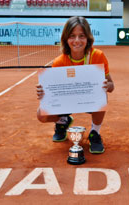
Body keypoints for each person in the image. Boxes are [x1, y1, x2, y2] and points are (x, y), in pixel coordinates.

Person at [36, 16, 114, 154]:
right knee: (41, 115)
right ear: (66, 39)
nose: (77, 41)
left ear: (88, 38)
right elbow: (54, 92)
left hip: (89, 100)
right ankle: (63, 121)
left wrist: (107, 86)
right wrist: (44, 94)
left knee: (103, 96)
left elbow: (111, 85)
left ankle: (94, 133)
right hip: (67, 101)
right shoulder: (59, 62)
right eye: (72, 36)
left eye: (81, 36)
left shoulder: (97, 56)